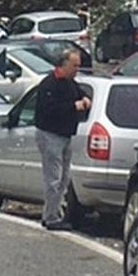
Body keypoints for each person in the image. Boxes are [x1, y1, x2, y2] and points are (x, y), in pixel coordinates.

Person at [33, 49, 91, 231]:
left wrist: (85, 98)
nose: (77, 69)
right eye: (74, 66)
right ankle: (51, 217)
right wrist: (73, 106)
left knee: (64, 178)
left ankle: (53, 213)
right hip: (50, 134)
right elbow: (49, 110)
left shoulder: (70, 83)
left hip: (66, 135)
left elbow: (79, 93)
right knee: (53, 178)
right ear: (64, 65)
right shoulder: (49, 85)